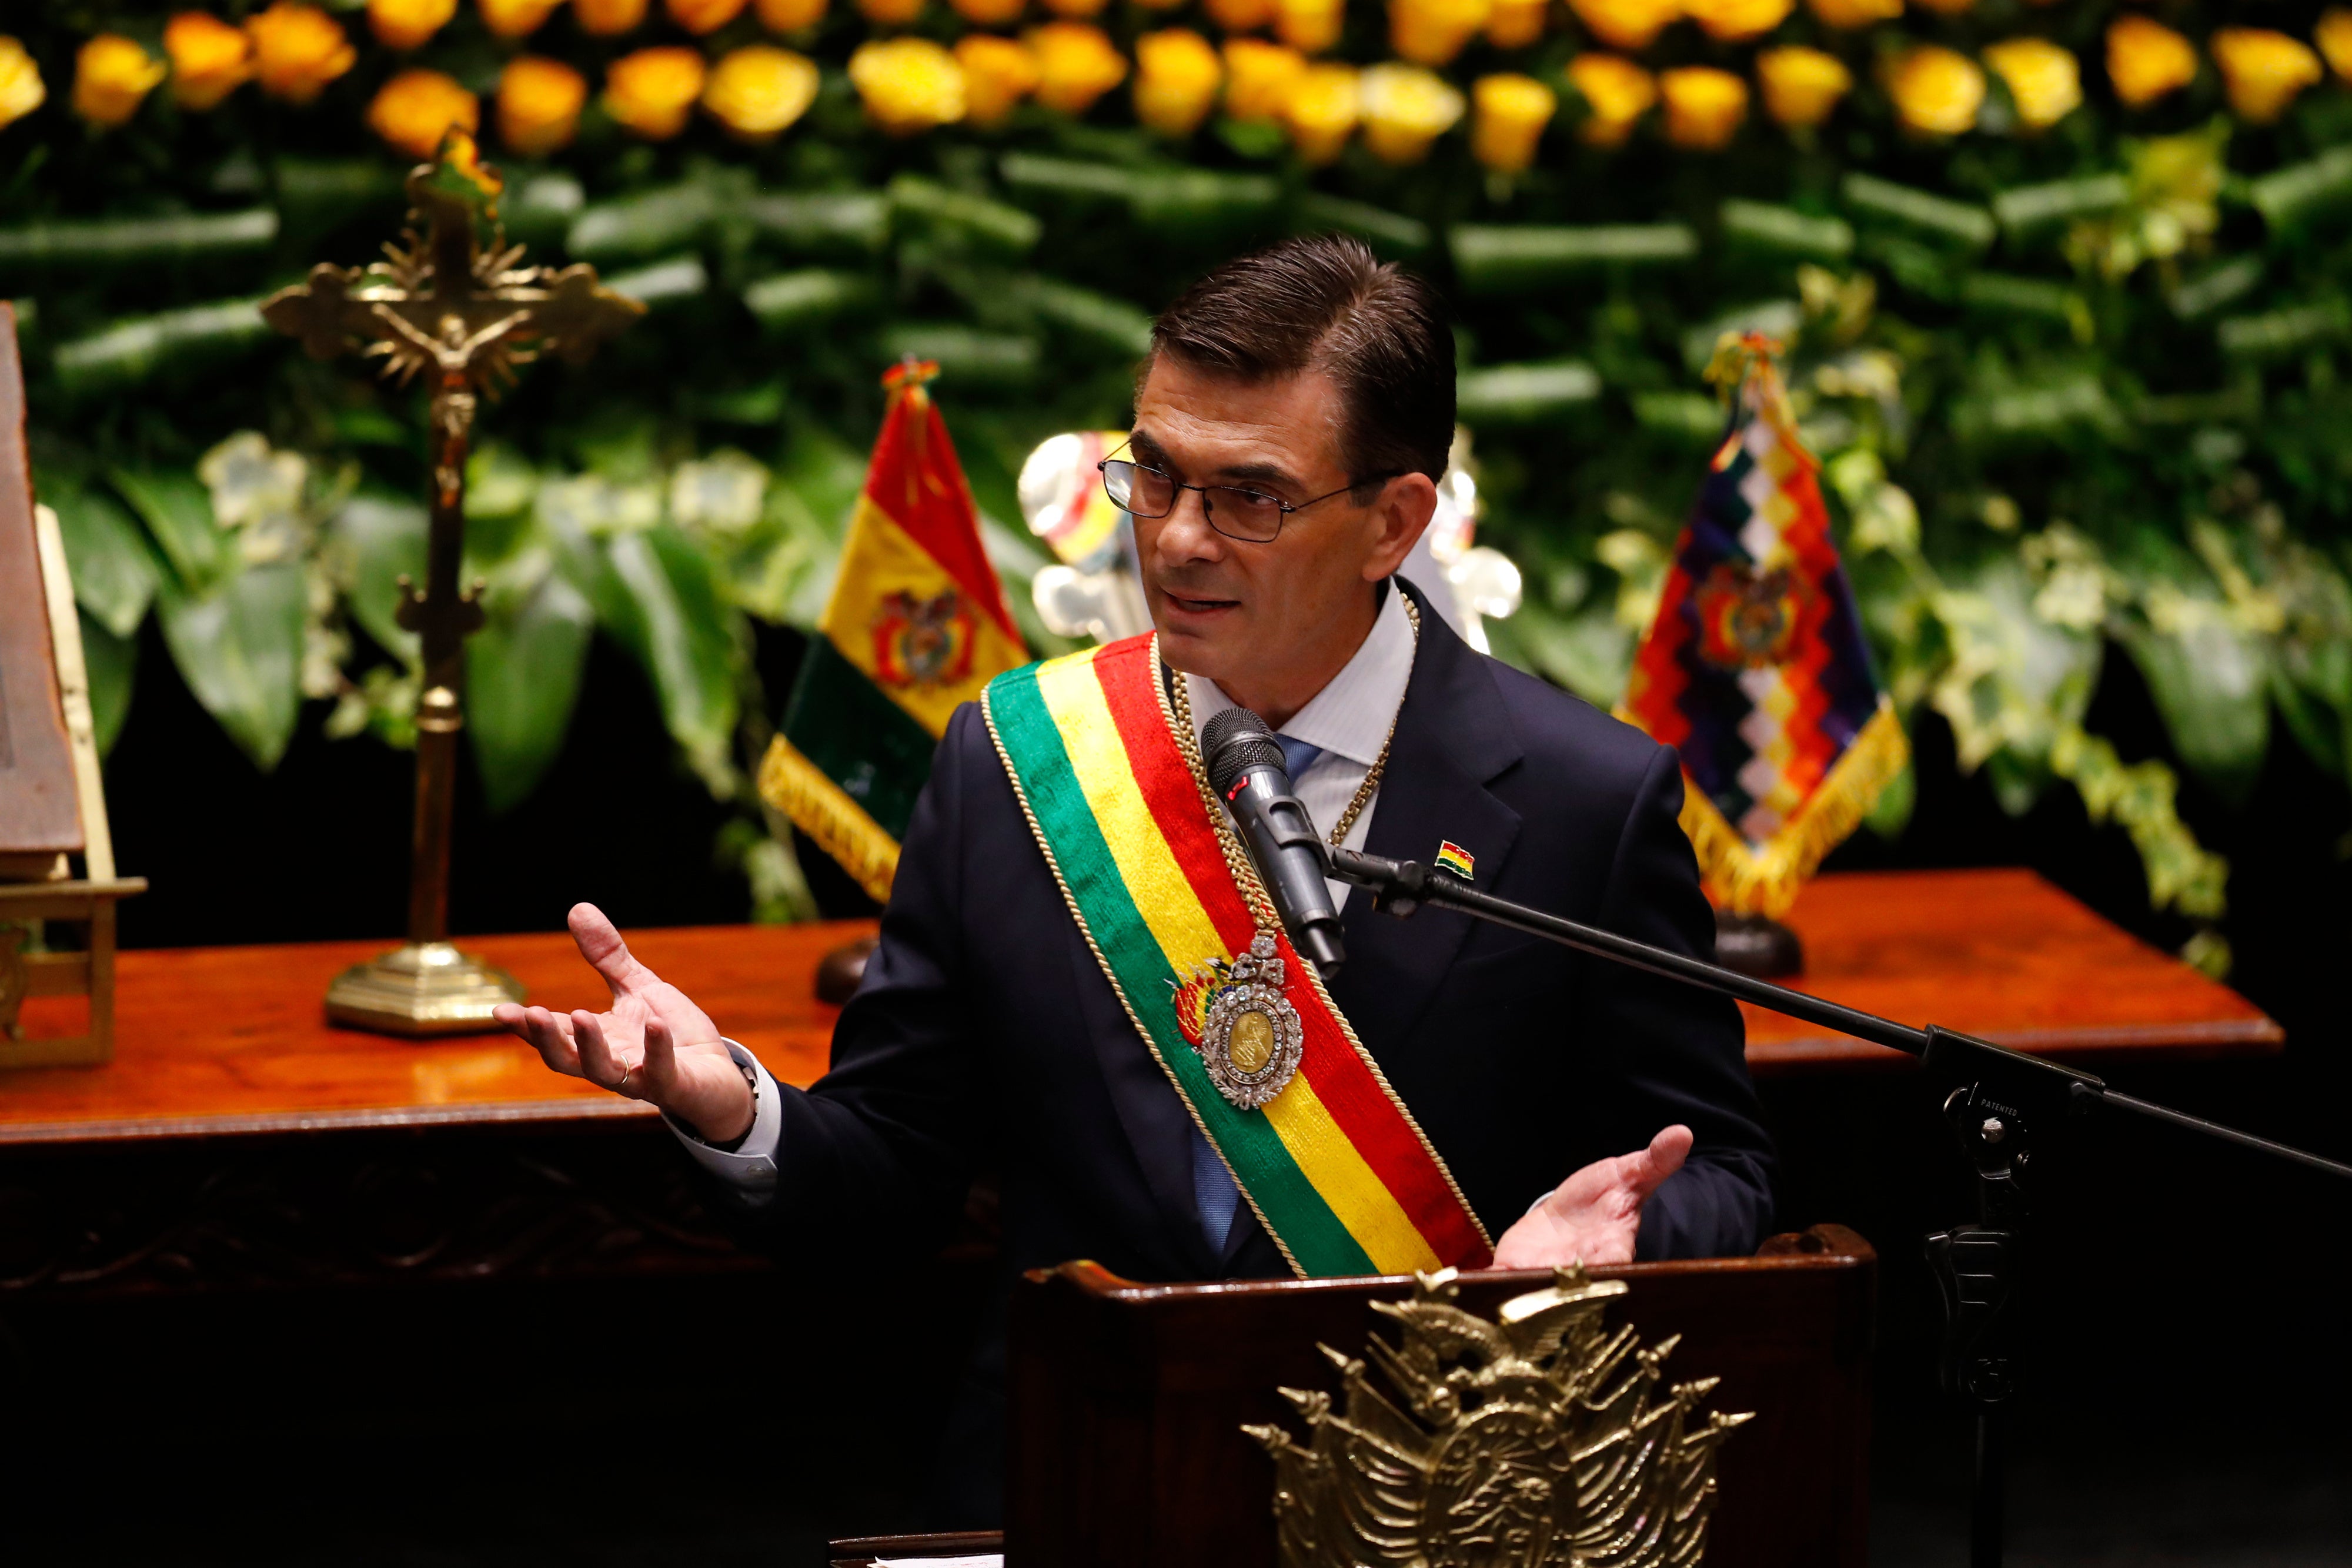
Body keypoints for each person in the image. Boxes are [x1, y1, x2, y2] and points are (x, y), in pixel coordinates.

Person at [498, 233, 1773, 1516]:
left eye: (1250, 497)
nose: (1176, 540)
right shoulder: (1018, 762)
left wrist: (1608, 1243)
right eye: (1152, 474)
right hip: (1074, 1484)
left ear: (1394, 521)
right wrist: (732, 1106)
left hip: (1425, 1500)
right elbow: (891, 1175)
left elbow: (1718, 1166)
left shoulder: (1579, 800)